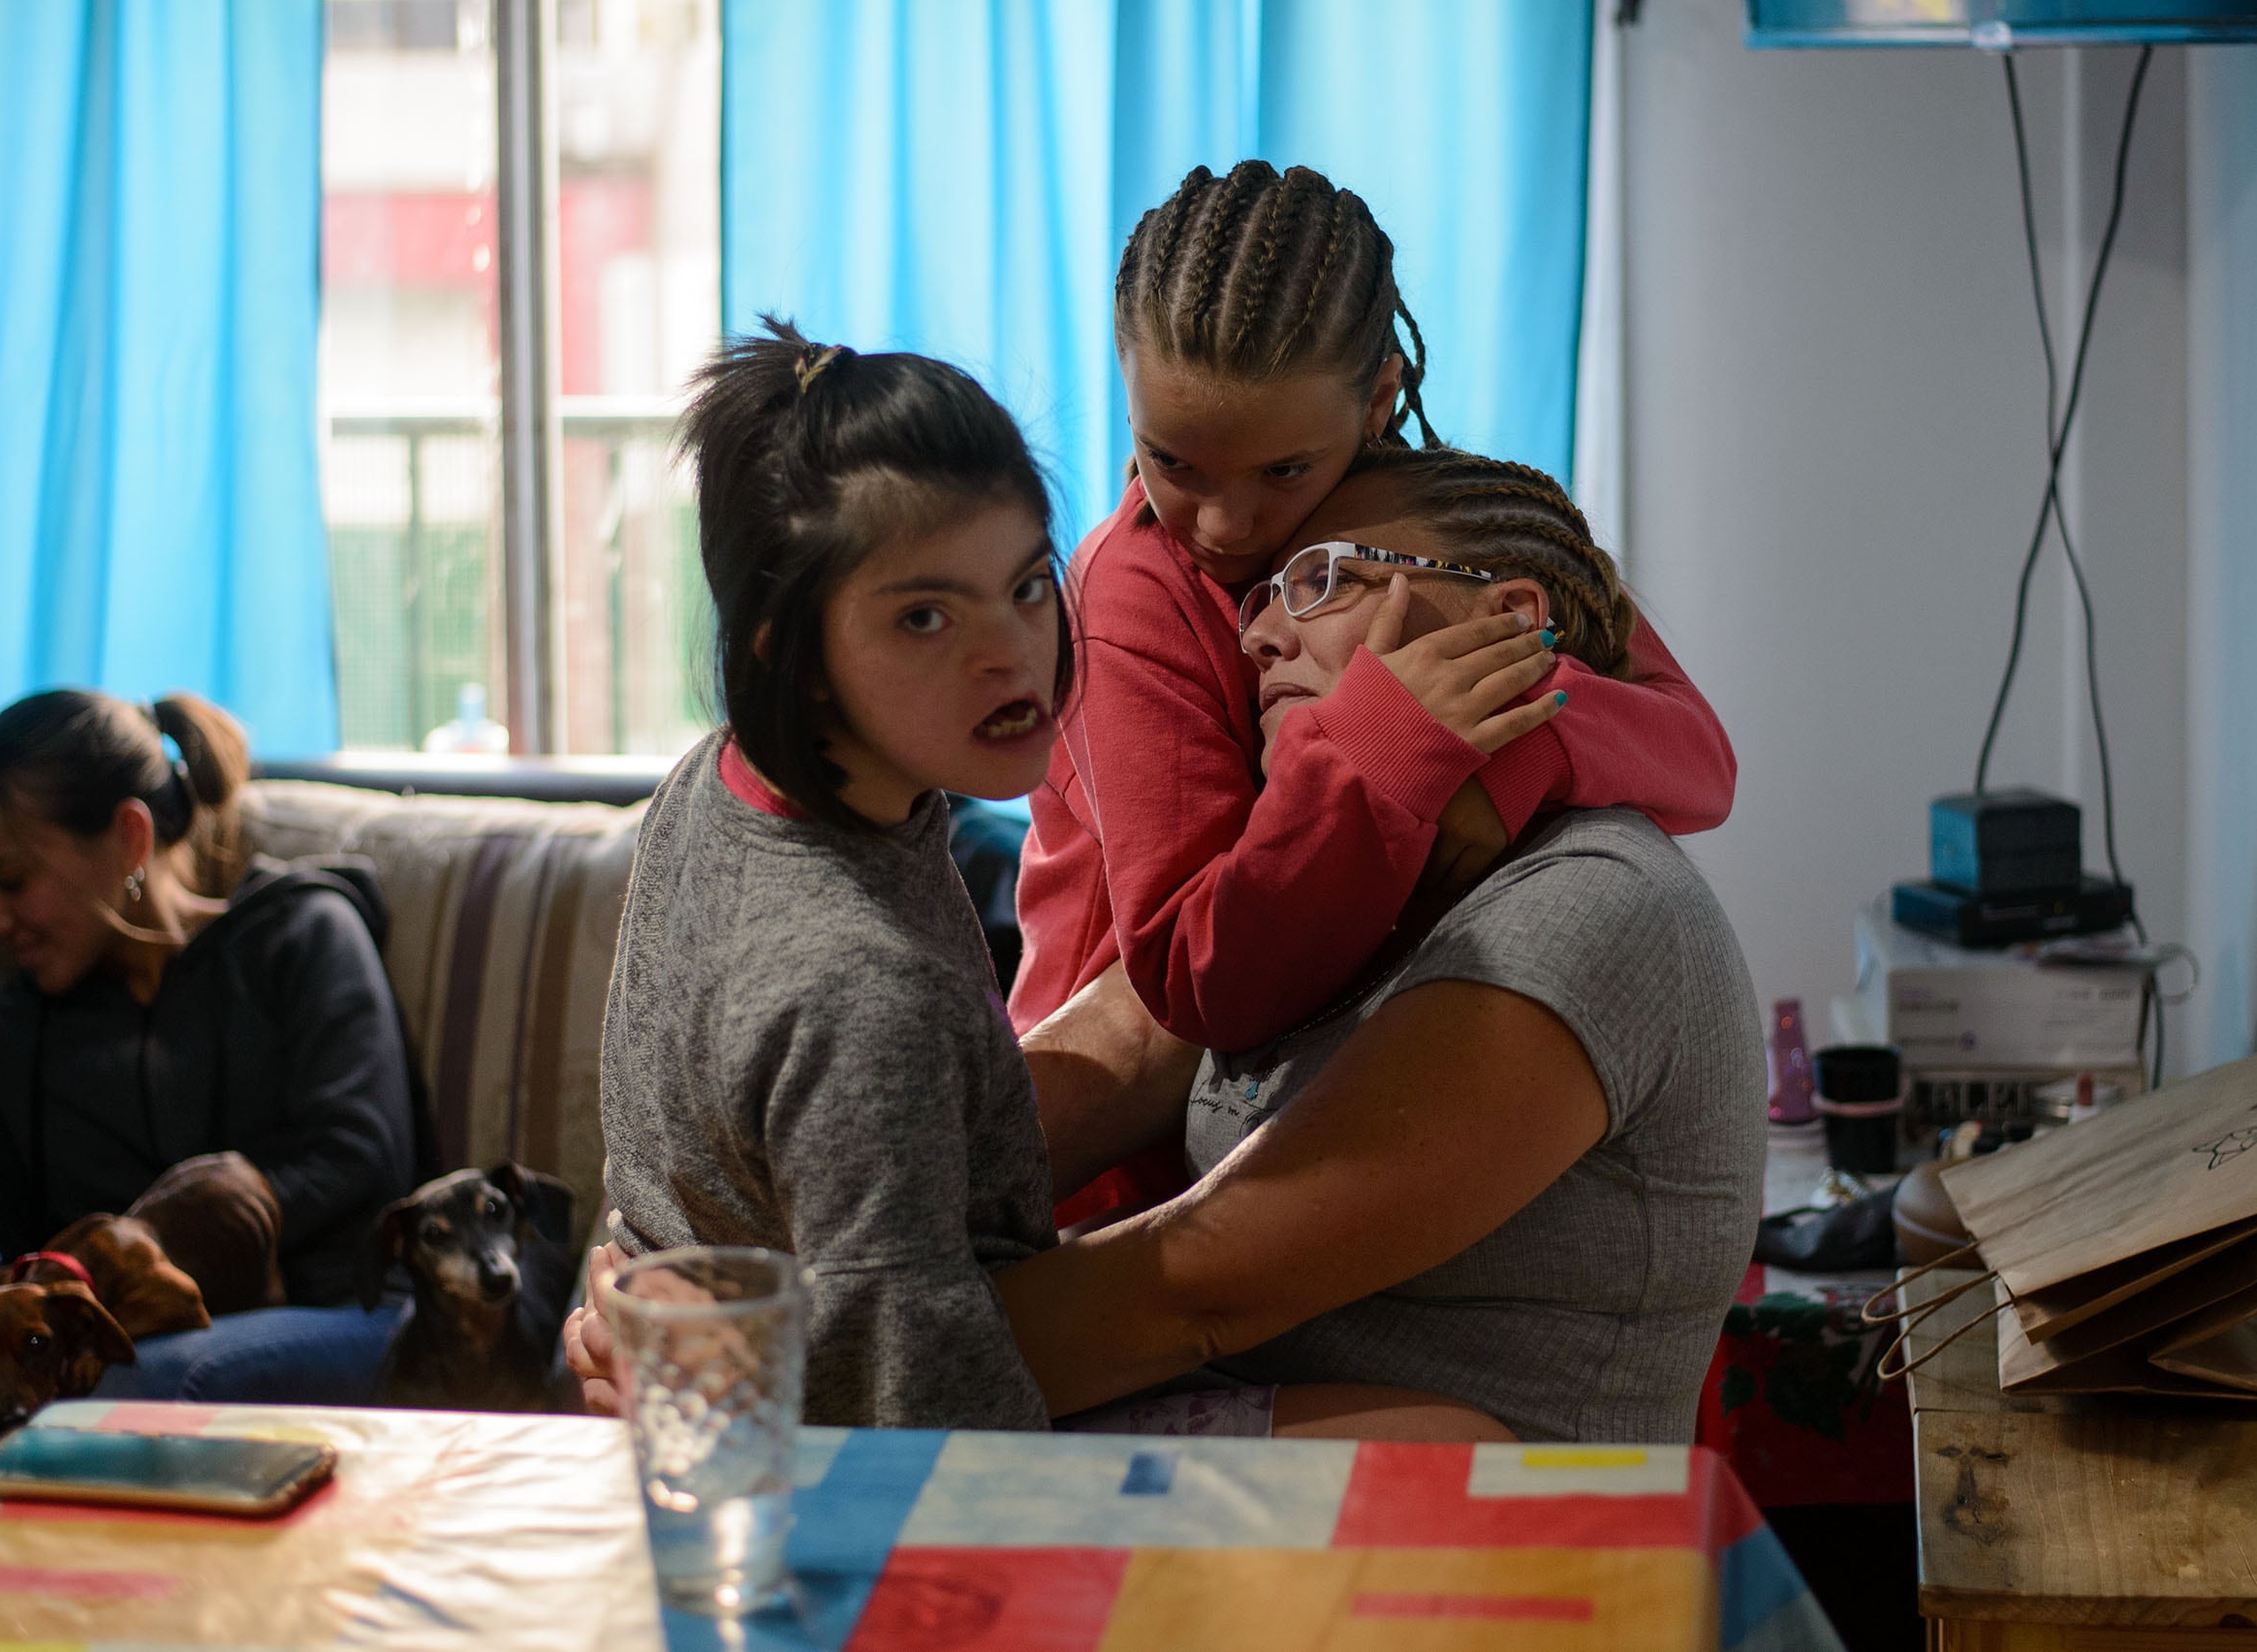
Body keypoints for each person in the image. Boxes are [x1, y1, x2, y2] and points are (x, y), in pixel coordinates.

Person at [997, 446, 1767, 1443]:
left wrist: (825, 1359)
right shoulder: (1343, 869)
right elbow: (1106, 1060)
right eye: (1259, 600)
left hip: (1487, 1554)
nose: (1260, 637)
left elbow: (1200, 1286)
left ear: (1510, 619)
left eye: (1325, 580)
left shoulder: (1593, 908)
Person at [1014, 161, 1739, 1088]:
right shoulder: (1131, 596)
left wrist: (1516, 750)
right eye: (1173, 461)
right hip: (1111, 1161)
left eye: (1282, 472)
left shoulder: (1406, 520)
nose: (1226, 529)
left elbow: (1697, 751)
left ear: (1379, 403)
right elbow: (1188, 981)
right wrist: (1390, 751)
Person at [592, 322, 1070, 1431]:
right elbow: (912, 1396)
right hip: (842, 1463)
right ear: (791, 653)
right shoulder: (861, 991)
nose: (1011, 653)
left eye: (1029, 585)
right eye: (924, 616)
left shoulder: (721, 777)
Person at [0, 689, 422, 1535]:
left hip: (337, 1313)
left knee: (128, 1394)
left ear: (129, 838)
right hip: (107, 1338)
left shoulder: (301, 936)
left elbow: (365, 1159)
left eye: (10, 880)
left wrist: (175, 1237)